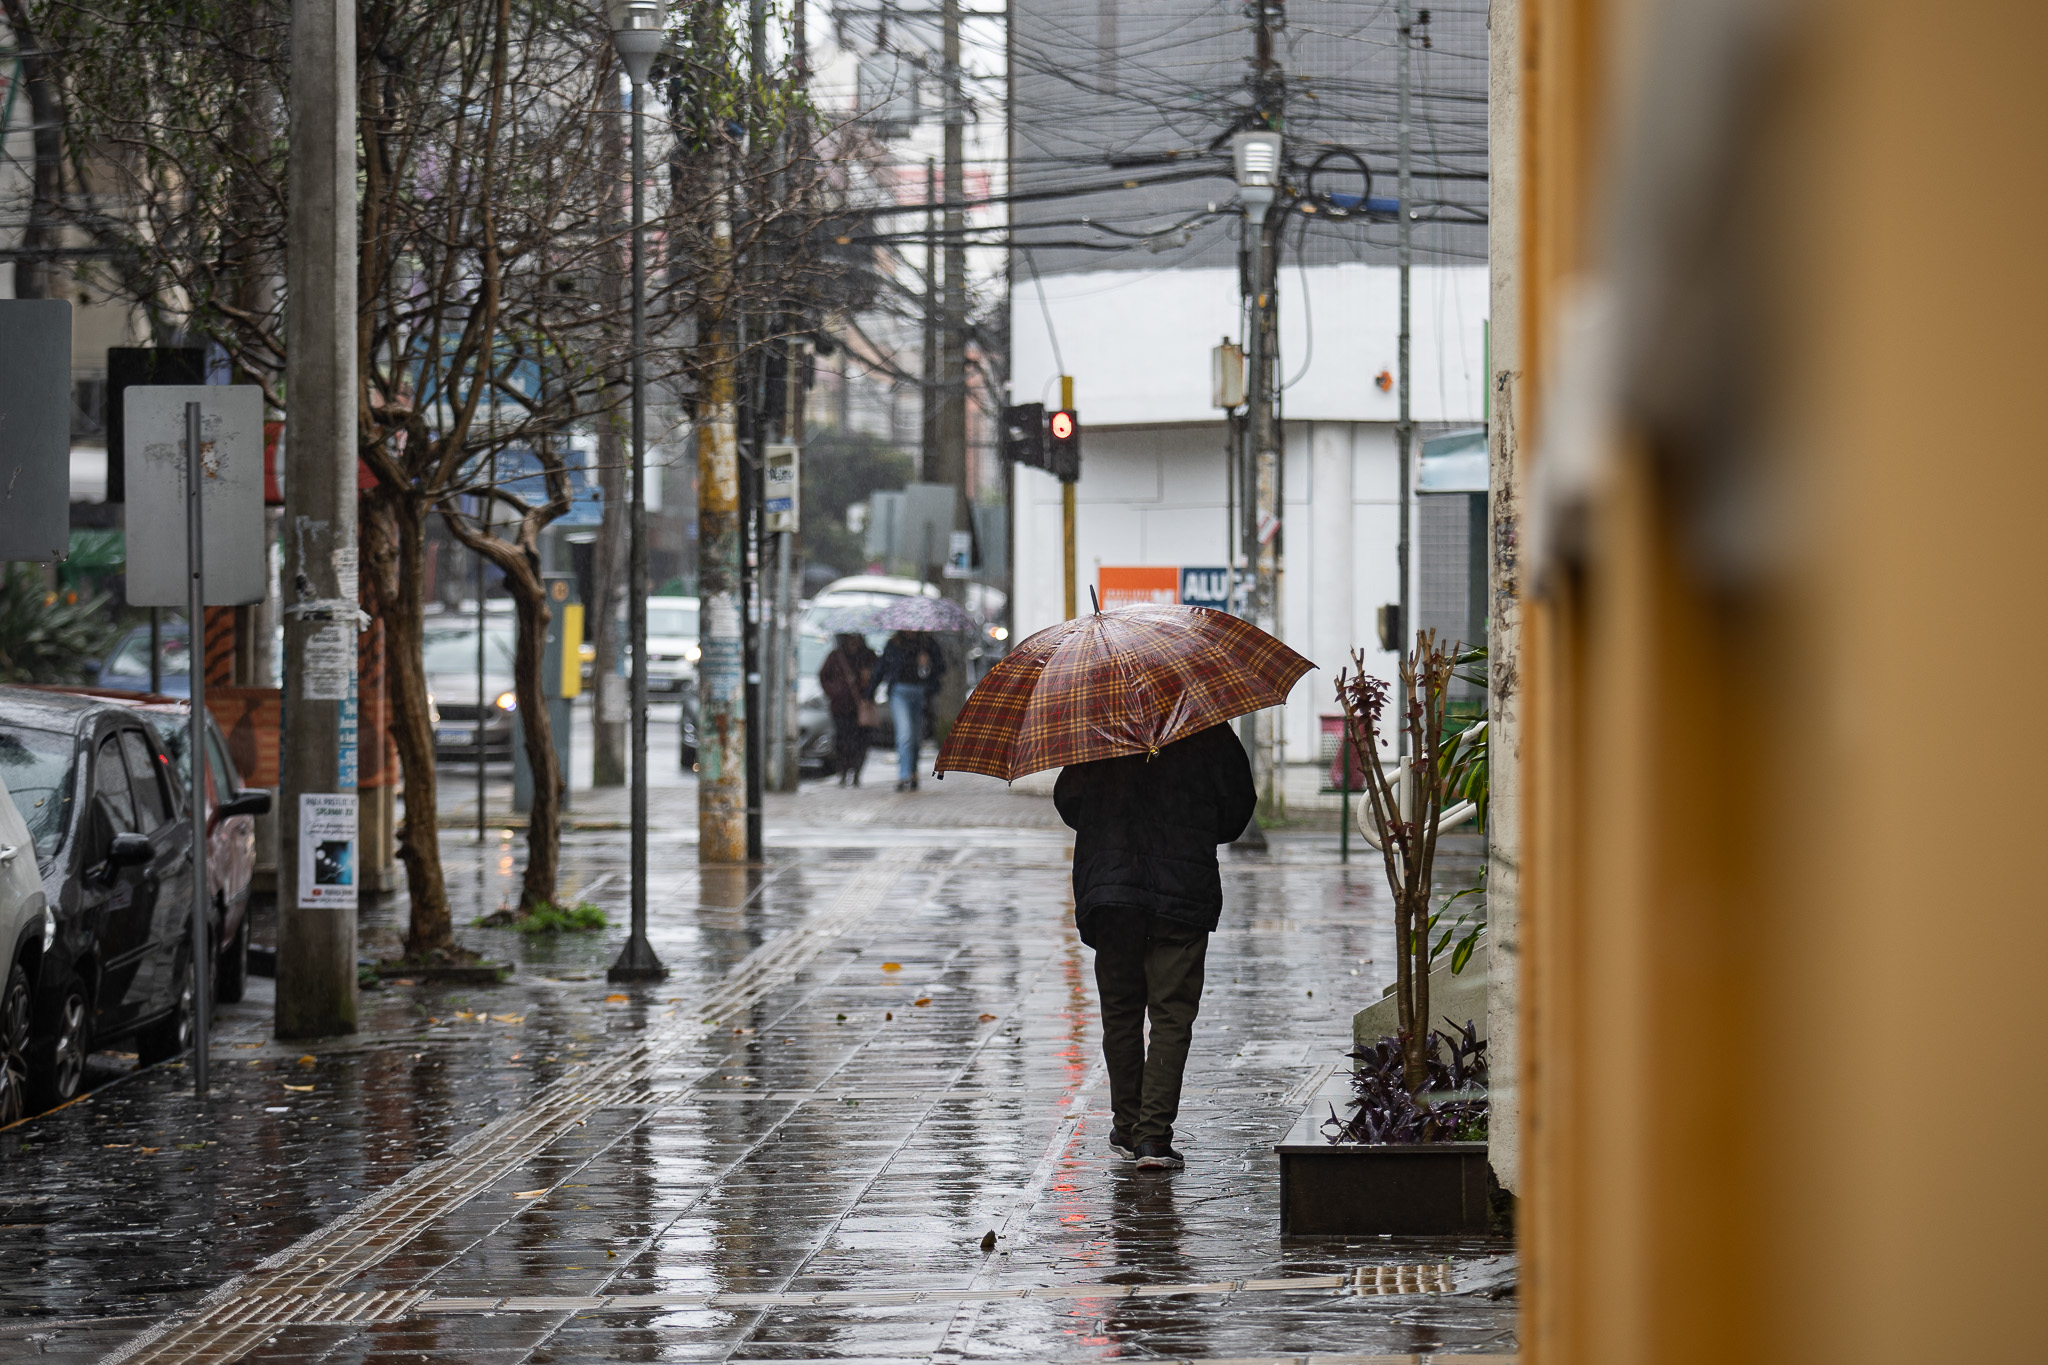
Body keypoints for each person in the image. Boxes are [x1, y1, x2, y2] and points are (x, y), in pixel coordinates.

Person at [1053, 722, 1256, 1171]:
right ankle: (1153, 1139)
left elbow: (1069, 803)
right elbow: (1238, 810)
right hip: (1182, 887)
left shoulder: (1098, 724)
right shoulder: (1208, 729)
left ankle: (1127, 1127)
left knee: (1121, 1010)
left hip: (1111, 888)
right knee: (1172, 1013)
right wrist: (1194, 822)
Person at [870, 629, 944, 791]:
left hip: (921, 694)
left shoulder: (928, 644)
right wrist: (869, 693)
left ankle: (913, 772)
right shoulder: (894, 644)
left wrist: (928, 664)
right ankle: (904, 775)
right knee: (905, 734)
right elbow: (881, 668)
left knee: (916, 737)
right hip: (899, 692)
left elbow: (941, 668)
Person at [817, 633, 877, 786]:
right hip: (840, 706)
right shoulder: (837, 656)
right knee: (843, 739)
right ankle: (843, 772)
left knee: (860, 740)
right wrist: (834, 692)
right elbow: (824, 676)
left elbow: (878, 675)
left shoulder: (868, 656)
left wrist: (869, 681)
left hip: (861, 705)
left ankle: (856, 772)